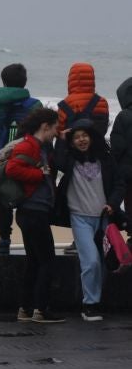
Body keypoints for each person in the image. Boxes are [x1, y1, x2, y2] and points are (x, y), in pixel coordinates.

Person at [53, 119, 125, 322]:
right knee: (91, 261)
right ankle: (89, 305)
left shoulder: (106, 160)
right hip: (80, 218)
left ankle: (96, 300)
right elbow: (57, 162)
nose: (81, 140)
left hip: (104, 219)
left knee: (103, 263)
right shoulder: (69, 160)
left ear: (92, 137)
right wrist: (61, 139)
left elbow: (119, 184)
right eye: (76, 137)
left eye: (85, 136)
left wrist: (112, 203)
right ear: (72, 141)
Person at [7, 107, 63, 323]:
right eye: (55, 128)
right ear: (45, 126)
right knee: (47, 261)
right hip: (33, 210)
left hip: (32, 211)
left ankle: (26, 309)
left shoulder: (40, 146)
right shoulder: (29, 145)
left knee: (34, 261)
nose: (57, 132)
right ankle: (41, 310)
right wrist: (40, 174)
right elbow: (13, 169)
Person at [0, 64, 42, 254]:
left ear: (4, 82)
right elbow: (42, 135)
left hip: (2, 161)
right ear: (25, 82)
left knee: (4, 201)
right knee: (28, 200)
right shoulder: (35, 105)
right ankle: (30, 241)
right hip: (28, 160)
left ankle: (4, 239)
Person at [56, 62, 110, 255]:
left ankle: (78, 239)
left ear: (70, 80)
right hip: (98, 156)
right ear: (92, 79)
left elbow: (60, 133)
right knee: (99, 197)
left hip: (72, 160)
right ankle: (102, 239)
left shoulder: (63, 105)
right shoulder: (101, 102)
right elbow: (103, 129)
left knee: (77, 201)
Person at [109, 77, 132, 227]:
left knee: (130, 203)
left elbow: (117, 146)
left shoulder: (124, 116)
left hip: (127, 170)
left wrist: (112, 166)